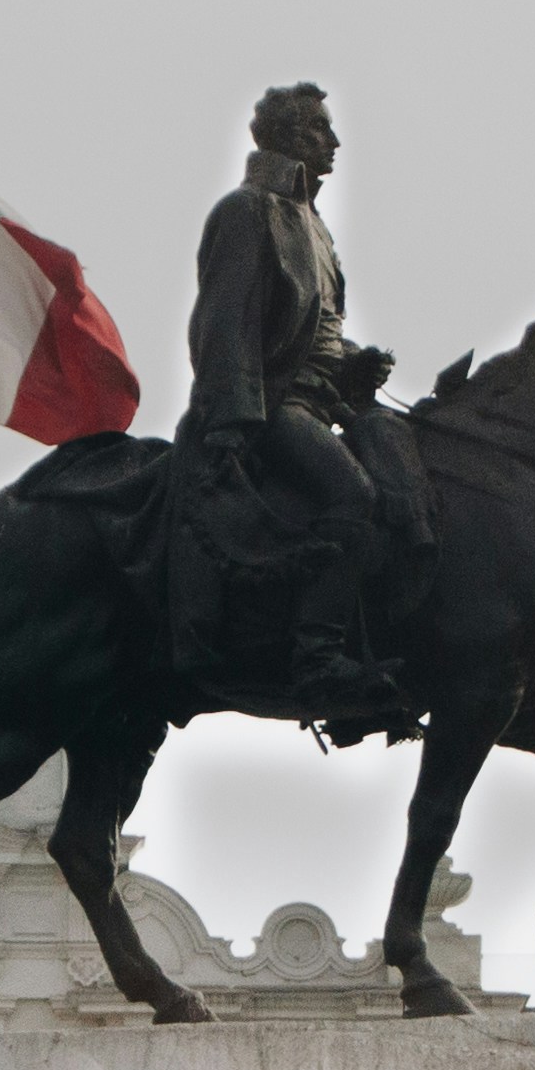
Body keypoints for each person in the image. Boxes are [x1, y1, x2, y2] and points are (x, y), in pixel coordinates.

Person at [177, 80, 406, 719]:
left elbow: (314, 328)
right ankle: (317, 658)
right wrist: (232, 421)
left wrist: (353, 361)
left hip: (324, 402)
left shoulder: (315, 228)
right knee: (353, 495)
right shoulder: (248, 210)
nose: (334, 141)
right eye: (316, 129)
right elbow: (224, 322)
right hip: (274, 404)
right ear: (282, 136)